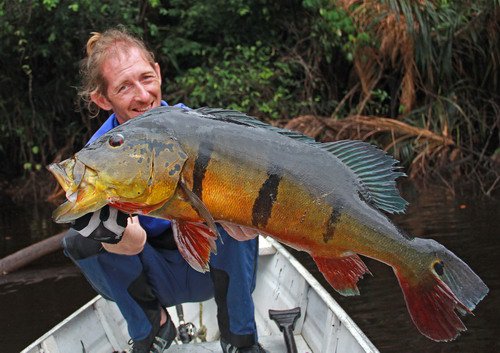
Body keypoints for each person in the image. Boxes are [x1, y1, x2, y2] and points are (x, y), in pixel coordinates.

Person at [62, 27, 268, 353]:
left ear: (158, 72)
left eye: (146, 78)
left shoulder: (201, 131)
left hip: (213, 266)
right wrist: (116, 236)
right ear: (102, 99)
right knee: (79, 239)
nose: (142, 96)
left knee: (236, 202)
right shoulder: (99, 159)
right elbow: (126, 241)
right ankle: (152, 328)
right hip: (152, 275)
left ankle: (240, 339)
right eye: (124, 87)